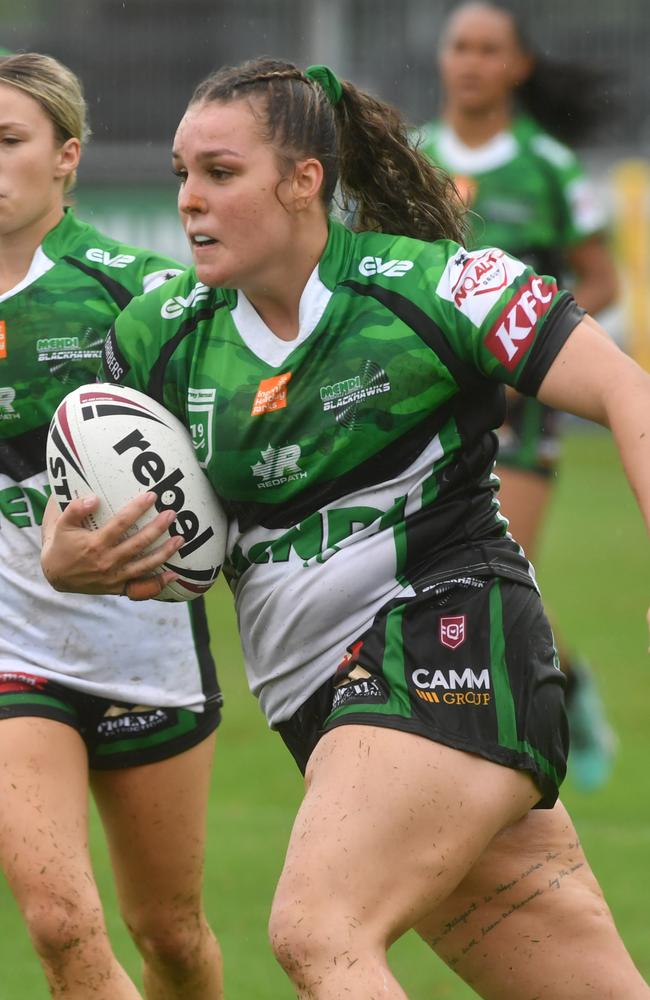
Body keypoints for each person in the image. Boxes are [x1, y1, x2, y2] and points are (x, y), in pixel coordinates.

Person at [40, 57, 650, 999]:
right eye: (180, 175)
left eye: (220, 173)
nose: (190, 201)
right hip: (325, 710)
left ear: (303, 180)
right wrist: (71, 556)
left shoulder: (430, 287)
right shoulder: (159, 335)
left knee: (318, 927)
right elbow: (82, 516)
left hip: (450, 634)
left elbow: (624, 388)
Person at [0, 53, 223, 1000]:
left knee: (168, 934)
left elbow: (226, 458)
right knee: (59, 923)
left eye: (9, 141)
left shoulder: (141, 292)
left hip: (145, 640)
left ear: (67, 157)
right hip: (13, 642)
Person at [418, 0, 620, 792]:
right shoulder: (413, 159)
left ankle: (547, 709)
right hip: (433, 406)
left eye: (487, 48)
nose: (470, 61)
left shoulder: (550, 168)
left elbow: (599, 278)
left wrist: (529, 349)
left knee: (507, 571)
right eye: (458, 46)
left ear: (517, 67)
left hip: (523, 414)